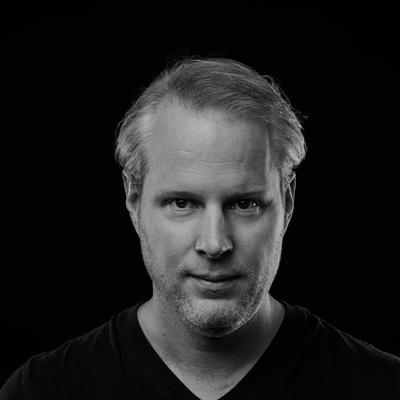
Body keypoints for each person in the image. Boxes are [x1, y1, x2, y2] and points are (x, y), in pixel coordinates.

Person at [1, 58, 399, 400]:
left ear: (288, 203)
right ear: (134, 200)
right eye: (182, 203)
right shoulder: (43, 390)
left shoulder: (381, 386)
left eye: (244, 204)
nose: (214, 243)